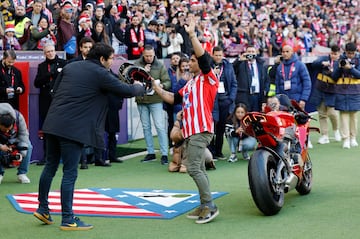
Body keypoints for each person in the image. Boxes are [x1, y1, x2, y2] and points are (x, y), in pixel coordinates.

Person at [33, 43, 145, 230]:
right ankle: (68, 219)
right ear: (102, 59)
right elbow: (127, 91)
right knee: (70, 172)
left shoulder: (70, 66)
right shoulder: (101, 73)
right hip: (73, 128)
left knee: (51, 166)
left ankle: (43, 208)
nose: (112, 61)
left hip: (52, 123)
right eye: (111, 58)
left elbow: (54, 91)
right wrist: (140, 86)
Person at [151, 16, 219, 224]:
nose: (189, 63)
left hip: (201, 129)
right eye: (188, 61)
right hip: (190, 131)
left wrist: (191, 34)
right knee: (196, 168)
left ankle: (210, 205)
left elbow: (204, 58)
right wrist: (156, 87)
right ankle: (205, 203)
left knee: (193, 168)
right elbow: (173, 99)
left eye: (192, 60)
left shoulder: (208, 77)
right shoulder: (188, 84)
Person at [134, 44, 171, 165]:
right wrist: (144, 72)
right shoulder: (136, 64)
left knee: (160, 127)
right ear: (143, 55)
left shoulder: (160, 65)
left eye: (151, 55)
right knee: (146, 127)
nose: (149, 58)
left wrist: (162, 86)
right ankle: (150, 152)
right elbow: (131, 79)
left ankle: (164, 154)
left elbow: (167, 81)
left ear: (154, 54)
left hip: (156, 100)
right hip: (141, 99)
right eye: (146, 56)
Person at [33, 43, 66, 166]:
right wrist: (48, 75)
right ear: (44, 53)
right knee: (46, 129)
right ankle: (46, 156)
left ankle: (63, 156)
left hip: (60, 99)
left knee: (61, 127)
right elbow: (36, 83)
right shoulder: (42, 66)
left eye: (52, 51)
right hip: (46, 101)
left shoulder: (63, 63)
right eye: (48, 52)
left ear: (55, 51)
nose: (51, 53)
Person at [209, 46, 237, 160]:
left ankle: (219, 151)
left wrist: (231, 99)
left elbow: (234, 83)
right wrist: (212, 73)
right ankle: (211, 151)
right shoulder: (208, 66)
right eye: (216, 55)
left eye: (220, 55)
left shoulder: (228, 66)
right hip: (212, 101)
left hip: (225, 101)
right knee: (211, 127)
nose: (218, 57)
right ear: (212, 55)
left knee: (221, 128)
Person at [310, 45, 341, 144]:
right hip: (320, 89)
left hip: (332, 90)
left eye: (335, 54)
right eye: (332, 53)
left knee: (332, 113)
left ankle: (336, 131)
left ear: (339, 54)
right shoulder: (324, 59)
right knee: (322, 113)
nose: (333, 56)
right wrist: (322, 63)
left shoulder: (341, 63)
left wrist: (333, 71)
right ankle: (325, 135)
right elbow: (314, 64)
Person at [332, 42, 360, 149]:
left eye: (352, 53)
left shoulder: (358, 60)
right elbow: (334, 76)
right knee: (343, 116)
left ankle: (353, 138)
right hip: (342, 91)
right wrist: (340, 68)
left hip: (355, 91)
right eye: (348, 53)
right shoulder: (340, 60)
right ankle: (346, 139)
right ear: (345, 52)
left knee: (353, 116)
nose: (350, 55)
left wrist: (351, 68)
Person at [0, 103, 32, 184]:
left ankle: (22, 173)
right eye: (4, 129)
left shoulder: (18, 117)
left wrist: (22, 154)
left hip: (14, 138)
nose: (7, 131)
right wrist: (0, 146)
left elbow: (23, 134)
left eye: (8, 129)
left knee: (28, 146)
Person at [233, 45, 269, 112]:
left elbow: (266, 80)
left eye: (253, 52)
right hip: (245, 96)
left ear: (256, 53)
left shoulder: (261, 65)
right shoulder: (241, 63)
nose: (251, 53)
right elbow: (232, 70)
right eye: (249, 51)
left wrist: (265, 94)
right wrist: (239, 60)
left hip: (257, 96)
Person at [275, 44, 312, 110]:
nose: (285, 54)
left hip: (297, 101)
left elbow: (307, 83)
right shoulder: (280, 67)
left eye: (287, 51)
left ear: (292, 52)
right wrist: (277, 99)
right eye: (283, 52)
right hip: (283, 103)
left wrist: (303, 99)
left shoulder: (300, 65)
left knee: (297, 119)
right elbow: (277, 85)